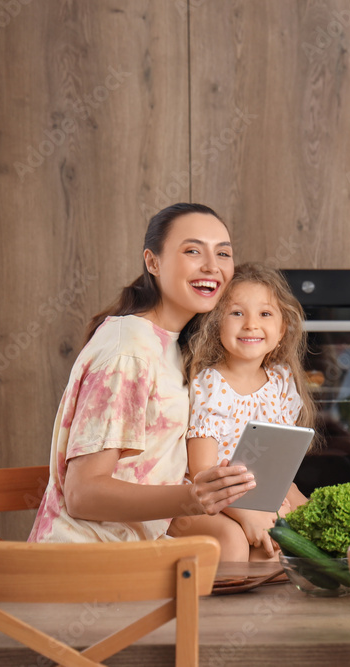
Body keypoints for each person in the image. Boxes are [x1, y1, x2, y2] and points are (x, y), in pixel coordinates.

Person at [30, 203, 255, 543]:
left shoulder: (176, 345)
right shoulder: (129, 350)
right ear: (153, 262)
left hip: (134, 550)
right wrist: (193, 498)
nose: (212, 266)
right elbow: (83, 493)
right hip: (85, 560)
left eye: (223, 253)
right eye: (193, 250)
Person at [168, 263, 317, 560]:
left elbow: (278, 472)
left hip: (257, 496)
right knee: (234, 541)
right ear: (215, 323)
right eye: (237, 313)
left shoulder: (280, 381)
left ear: (282, 328)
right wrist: (247, 514)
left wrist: (305, 510)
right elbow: (202, 474)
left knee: (287, 546)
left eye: (265, 314)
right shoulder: (210, 384)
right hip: (199, 502)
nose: (250, 324)